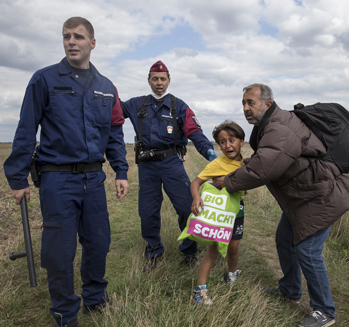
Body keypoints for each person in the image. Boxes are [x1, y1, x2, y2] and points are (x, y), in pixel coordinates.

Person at [3, 17, 129, 327]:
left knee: (99, 242)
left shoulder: (106, 87)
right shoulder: (44, 79)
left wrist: (121, 171)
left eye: (79, 37)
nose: (72, 41)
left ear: (92, 43)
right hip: (57, 179)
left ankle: (95, 298)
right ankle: (64, 311)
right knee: (59, 251)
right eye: (66, 36)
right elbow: (25, 128)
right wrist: (18, 177)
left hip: (93, 178)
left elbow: (114, 132)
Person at [216, 84, 349, 327]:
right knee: (284, 239)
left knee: (308, 251)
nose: (246, 108)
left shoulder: (279, 127)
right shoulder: (270, 126)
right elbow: (268, 159)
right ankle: (290, 289)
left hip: (318, 197)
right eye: (243, 104)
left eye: (251, 102)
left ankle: (324, 311)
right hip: (301, 198)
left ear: (268, 104)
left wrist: (228, 182)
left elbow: (265, 168)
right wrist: (243, 169)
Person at [121, 60, 218, 271]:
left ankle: (189, 252)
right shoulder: (136, 104)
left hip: (172, 163)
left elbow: (194, 132)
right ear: (148, 81)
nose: (159, 83)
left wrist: (209, 152)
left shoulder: (179, 106)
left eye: (163, 79)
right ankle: (154, 252)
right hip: (147, 166)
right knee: (147, 212)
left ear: (169, 81)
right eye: (155, 79)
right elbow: (112, 110)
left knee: (187, 208)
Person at [190, 120, 246, 305]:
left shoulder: (247, 165)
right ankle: (200, 289)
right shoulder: (216, 164)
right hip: (219, 215)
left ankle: (231, 275)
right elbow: (196, 182)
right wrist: (197, 198)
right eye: (222, 141)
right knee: (213, 250)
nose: (228, 145)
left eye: (232, 140)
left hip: (236, 213)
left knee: (234, 247)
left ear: (241, 142)